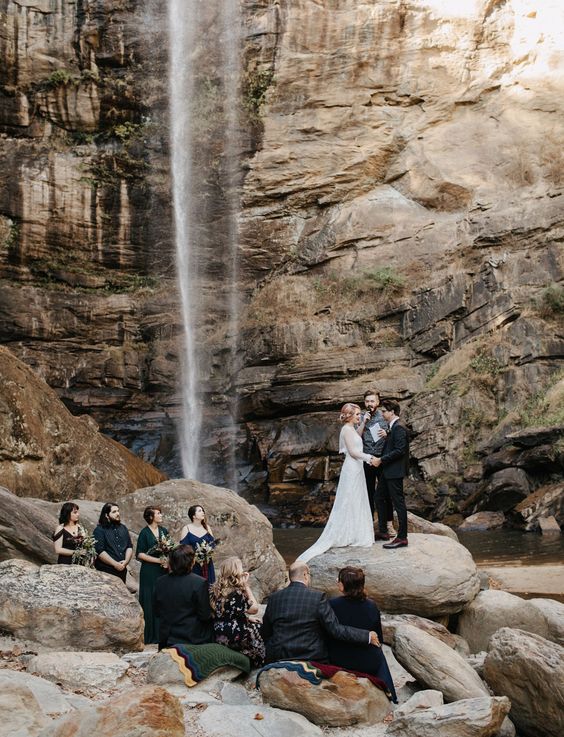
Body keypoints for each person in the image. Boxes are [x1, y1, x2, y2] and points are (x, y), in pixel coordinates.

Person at [297, 403, 377, 563]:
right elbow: (353, 452)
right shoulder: (345, 430)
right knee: (349, 500)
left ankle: (355, 533)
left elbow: (357, 438)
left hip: (357, 467)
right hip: (352, 467)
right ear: (349, 416)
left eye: (360, 414)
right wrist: (370, 458)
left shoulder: (352, 429)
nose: (359, 416)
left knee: (357, 500)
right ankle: (346, 533)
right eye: (357, 414)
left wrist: (363, 423)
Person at [261, 560, 380, 663]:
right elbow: (335, 629)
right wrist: (366, 636)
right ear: (305, 575)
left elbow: (266, 631)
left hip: (278, 656)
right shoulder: (318, 597)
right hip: (310, 656)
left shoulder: (274, 598)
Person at [328, 566, 397, 708]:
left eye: (338, 580)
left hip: (339, 659)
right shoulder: (372, 606)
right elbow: (379, 638)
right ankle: (390, 694)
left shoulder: (332, 604)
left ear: (342, 585)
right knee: (378, 652)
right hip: (367, 662)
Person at [153, 544, 213, 650]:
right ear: (192, 562)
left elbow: (156, 611)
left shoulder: (160, 582)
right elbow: (205, 615)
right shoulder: (199, 583)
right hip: (192, 639)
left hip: (166, 639)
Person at [210, 556, 265, 667]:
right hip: (233, 635)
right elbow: (254, 609)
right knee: (260, 628)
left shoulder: (213, 591)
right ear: (236, 572)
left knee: (252, 624)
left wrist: (248, 618)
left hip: (218, 633)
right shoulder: (237, 593)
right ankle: (258, 660)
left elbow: (227, 612)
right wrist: (246, 586)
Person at [357, 389, 395, 538]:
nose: (369, 404)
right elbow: (354, 438)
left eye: (372, 401)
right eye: (367, 401)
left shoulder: (384, 415)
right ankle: (369, 527)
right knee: (368, 494)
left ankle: (389, 525)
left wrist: (388, 434)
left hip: (382, 459)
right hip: (366, 459)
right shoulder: (360, 417)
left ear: (378, 403)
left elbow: (397, 433)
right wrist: (364, 422)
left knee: (386, 494)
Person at [373, 400, 409, 549]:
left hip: (394, 472)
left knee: (399, 504)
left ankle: (402, 537)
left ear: (392, 412)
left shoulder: (399, 427)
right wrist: (387, 435)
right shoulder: (393, 428)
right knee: (379, 497)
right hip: (387, 471)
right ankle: (383, 531)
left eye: (384, 411)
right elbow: (394, 444)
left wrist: (381, 460)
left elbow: (400, 450)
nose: (382, 414)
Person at [136, 506, 169, 645]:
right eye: (158, 513)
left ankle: (162, 634)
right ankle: (150, 635)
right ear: (151, 517)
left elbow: (169, 547)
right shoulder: (144, 533)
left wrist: (167, 560)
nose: (161, 515)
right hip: (149, 571)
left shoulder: (164, 531)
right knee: (149, 599)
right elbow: (140, 554)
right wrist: (158, 560)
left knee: (162, 599)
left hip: (163, 571)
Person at [93, 503, 133, 582]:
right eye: (114, 512)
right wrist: (115, 564)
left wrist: (125, 562)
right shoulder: (99, 530)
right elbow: (100, 551)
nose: (118, 514)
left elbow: (129, 546)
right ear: (107, 515)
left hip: (122, 570)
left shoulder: (123, 528)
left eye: (118, 511)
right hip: (106, 571)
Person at [179, 504, 216, 584]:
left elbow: (213, 545)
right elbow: (183, 548)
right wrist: (195, 556)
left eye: (203, 510)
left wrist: (207, 552)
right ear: (193, 516)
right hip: (193, 565)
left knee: (209, 588)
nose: (203, 512)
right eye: (200, 511)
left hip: (207, 564)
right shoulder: (186, 529)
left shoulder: (207, 527)